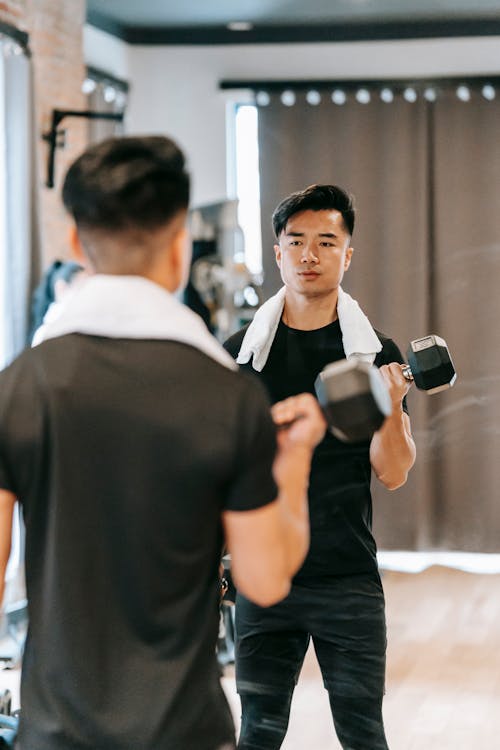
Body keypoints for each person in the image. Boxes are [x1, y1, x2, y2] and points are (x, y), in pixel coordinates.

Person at [0, 137, 327, 750]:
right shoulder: (227, 396)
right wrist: (297, 458)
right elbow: (264, 580)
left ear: (75, 244)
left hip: (54, 731)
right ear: (180, 247)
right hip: (185, 729)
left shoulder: (19, 389)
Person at [224, 184, 417, 750]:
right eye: (296, 242)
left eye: (326, 242)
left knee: (363, 736)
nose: (310, 255)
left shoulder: (376, 352)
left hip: (346, 575)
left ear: (347, 254)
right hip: (264, 578)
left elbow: (395, 471)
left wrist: (391, 408)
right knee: (257, 734)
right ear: (277, 252)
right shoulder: (240, 354)